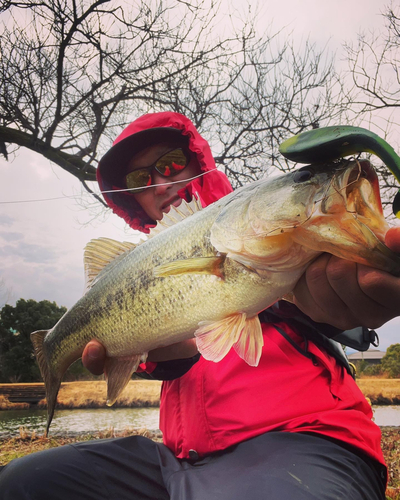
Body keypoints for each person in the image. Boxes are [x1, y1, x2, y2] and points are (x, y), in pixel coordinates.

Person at [1, 111, 400, 500]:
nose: (160, 183)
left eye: (171, 162)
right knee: (22, 481)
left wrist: (353, 292)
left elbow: (339, 304)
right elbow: (172, 348)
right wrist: (158, 356)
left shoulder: (287, 238)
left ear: (198, 160)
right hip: (183, 460)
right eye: (140, 178)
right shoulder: (139, 264)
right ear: (134, 197)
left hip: (306, 437)